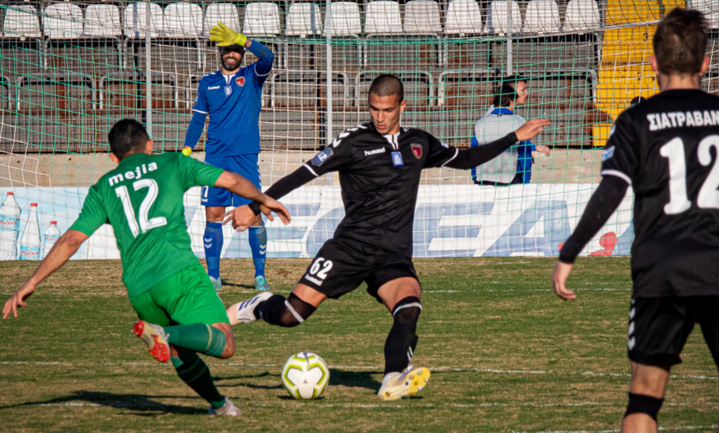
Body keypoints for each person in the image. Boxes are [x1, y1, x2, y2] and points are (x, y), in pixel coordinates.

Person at [223, 74, 550, 400]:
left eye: (387, 110)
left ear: (402, 106)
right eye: (374, 109)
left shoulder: (419, 143)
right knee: (289, 316)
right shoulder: (352, 141)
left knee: (409, 308)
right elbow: (305, 172)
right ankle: (260, 304)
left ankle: (392, 378)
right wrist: (256, 204)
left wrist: (514, 136)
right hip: (349, 248)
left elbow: (465, 160)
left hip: (393, 254)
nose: (380, 117)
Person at [552, 9, 719, 432]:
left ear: (653, 63)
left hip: (660, 269)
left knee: (644, 397)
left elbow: (610, 191)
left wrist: (569, 253)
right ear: (705, 63)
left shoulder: (635, 121)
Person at [3, 119, 291, 416]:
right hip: (178, 272)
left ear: (113, 157)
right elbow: (231, 180)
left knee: (178, 352)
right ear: (150, 145)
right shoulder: (172, 163)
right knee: (223, 342)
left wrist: (32, 282)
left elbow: (71, 239)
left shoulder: (103, 188)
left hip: (140, 289)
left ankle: (220, 405)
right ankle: (169, 332)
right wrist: (264, 199)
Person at [183, 22, 275, 291]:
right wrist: (187, 151)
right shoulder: (207, 83)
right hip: (215, 159)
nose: (231, 53)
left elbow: (268, 56)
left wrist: (243, 39)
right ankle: (213, 276)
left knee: (254, 215)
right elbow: (198, 120)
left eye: (235, 49)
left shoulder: (253, 75)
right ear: (220, 53)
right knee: (213, 214)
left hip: (245, 158)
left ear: (241, 53)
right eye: (227, 49)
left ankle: (259, 275)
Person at [471, 80, 550, 185]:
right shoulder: (520, 122)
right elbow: (524, 155)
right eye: (523, 90)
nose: (526, 93)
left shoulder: (480, 122)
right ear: (513, 97)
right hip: (509, 179)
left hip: (484, 178)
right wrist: (525, 182)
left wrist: (475, 178)